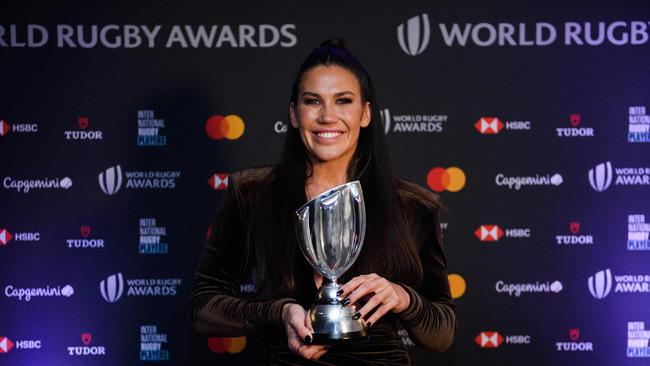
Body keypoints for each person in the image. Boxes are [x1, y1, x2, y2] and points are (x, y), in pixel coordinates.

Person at [189, 38, 456, 365]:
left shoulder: (413, 205)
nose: (328, 116)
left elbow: (442, 333)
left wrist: (403, 298)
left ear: (366, 114)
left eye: (343, 100)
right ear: (293, 114)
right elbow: (203, 308)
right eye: (312, 101)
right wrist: (280, 312)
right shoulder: (251, 194)